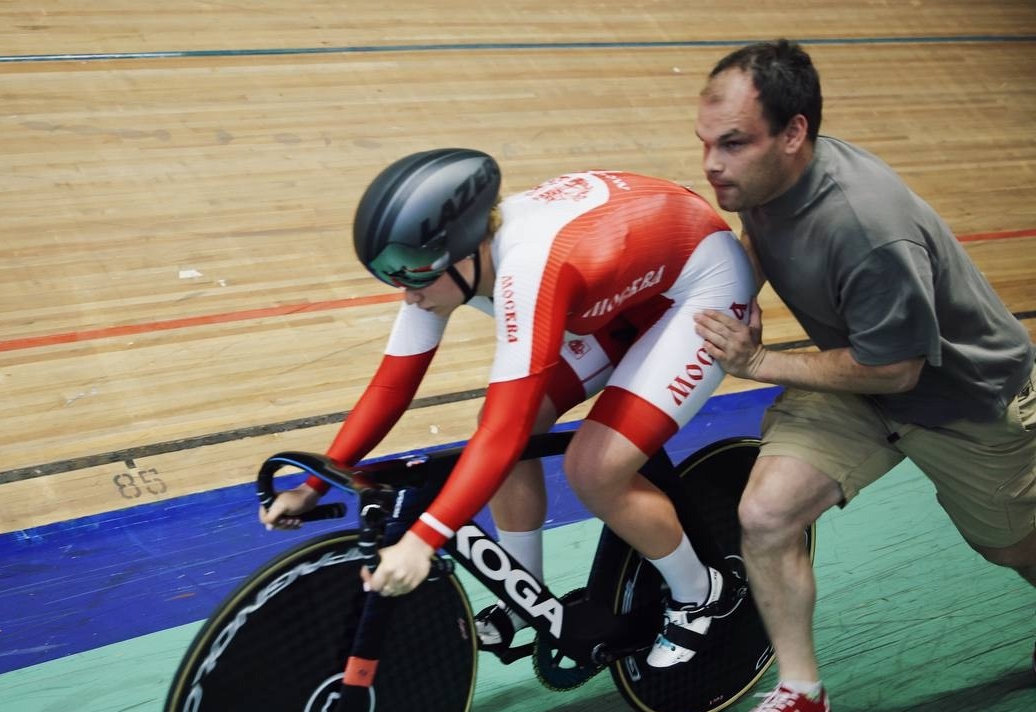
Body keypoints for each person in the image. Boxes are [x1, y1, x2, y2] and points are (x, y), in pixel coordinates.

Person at [261, 148, 756, 667]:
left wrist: (425, 539)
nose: (405, 291)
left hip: (699, 289)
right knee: (511, 431)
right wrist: (314, 483)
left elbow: (503, 431)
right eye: (391, 274)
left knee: (594, 469)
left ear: (465, 248)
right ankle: (525, 595)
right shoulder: (451, 268)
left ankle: (704, 594)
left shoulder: (529, 265)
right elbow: (392, 386)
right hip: (619, 293)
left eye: (412, 272)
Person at [693, 39, 1036, 712]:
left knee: (1012, 550)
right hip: (855, 382)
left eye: (732, 144)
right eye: (705, 143)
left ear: (794, 134)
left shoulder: (866, 225)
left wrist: (758, 360)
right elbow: (759, 239)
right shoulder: (762, 180)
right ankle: (800, 698)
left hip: (965, 400)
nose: (712, 165)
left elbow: (899, 371)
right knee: (765, 512)